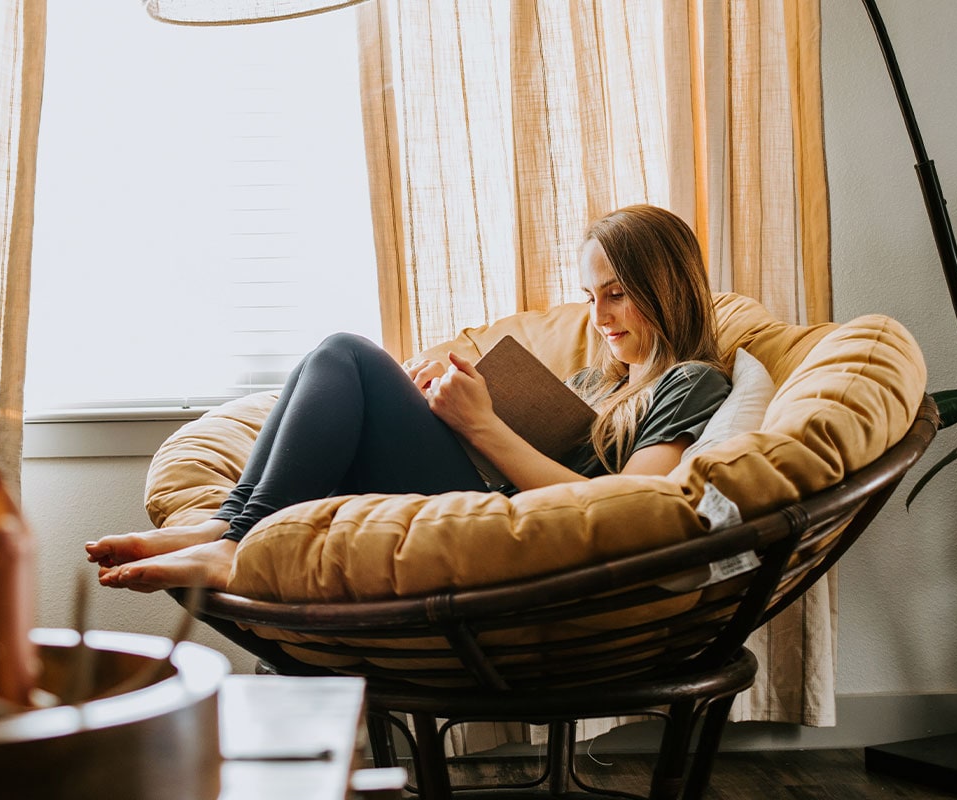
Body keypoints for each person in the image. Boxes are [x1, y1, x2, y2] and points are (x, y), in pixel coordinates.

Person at [86, 204, 731, 592]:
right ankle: (229, 522)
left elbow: (632, 508)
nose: (599, 317)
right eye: (592, 297)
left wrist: (480, 425)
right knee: (326, 363)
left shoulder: (691, 381)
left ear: (667, 284)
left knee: (348, 355)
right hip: (479, 483)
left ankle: (239, 541)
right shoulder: (604, 380)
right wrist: (446, 405)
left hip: (506, 523)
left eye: (616, 293)